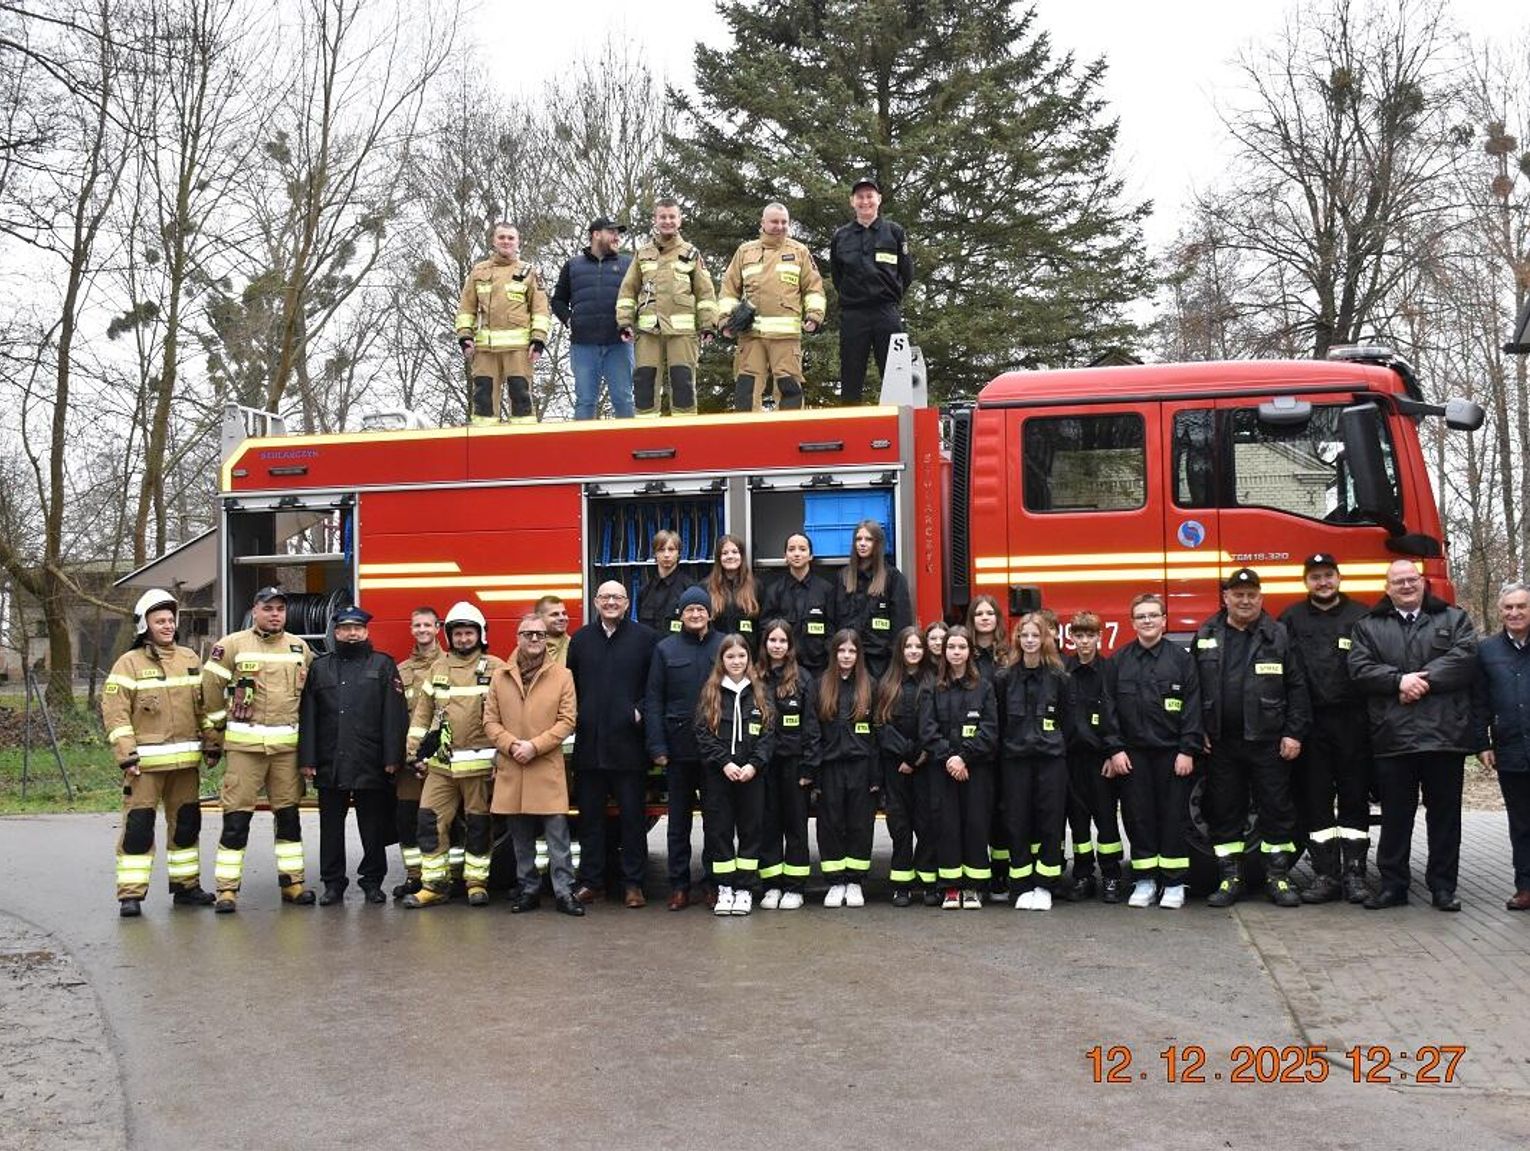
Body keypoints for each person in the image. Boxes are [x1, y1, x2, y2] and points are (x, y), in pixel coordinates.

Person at [1349, 559, 1479, 911]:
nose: (1406, 586)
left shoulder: (1454, 619)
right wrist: (1397, 681)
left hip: (1444, 736)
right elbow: (1359, 669)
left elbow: (1465, 658)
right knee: (1395, 817)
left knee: (1445, 818)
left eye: (1411, 580)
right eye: (1398, 581)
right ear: (1387, 587)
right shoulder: (1368, 626)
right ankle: (1393, 886)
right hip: (1394, 738)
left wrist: (1419, 682)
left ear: (1422, 583)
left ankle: (1443, 888)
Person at [1195, 568, 1310, 910]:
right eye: (1238, 594)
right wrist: (1196, 729)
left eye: (1251, 595)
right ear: (1225, 597)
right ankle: (1230, 879)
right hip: (1222, 743)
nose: (1245, 600)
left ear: (1261, 598)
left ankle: (1278, 877)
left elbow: (1298, 687)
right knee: (1225, 812)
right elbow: (1192, 688)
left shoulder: (1279, 635)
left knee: (1277, 811)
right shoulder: (1206, 634)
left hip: (1268, 742)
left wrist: (1294, 732)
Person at [201, 586, 315, 913]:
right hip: (244, 750)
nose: (275, 614)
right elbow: (210, 691)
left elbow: (310, 696)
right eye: (269, 608)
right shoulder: (231, 645)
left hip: (286, 751)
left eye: (280, 608)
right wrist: (216, 733)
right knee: (236, 819)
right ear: (255, 610)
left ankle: (292, 883)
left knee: (289, 817)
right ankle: (226, 889)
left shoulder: (299, 647)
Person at [103, 589, 217, 917]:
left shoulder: (190, 659)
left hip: (185, 765)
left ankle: (186, 888)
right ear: (145, 625)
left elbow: (204, 707)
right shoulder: (129, 663)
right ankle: (131, 895)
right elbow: (115, 712)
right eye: (159, 621)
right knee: (139, 828)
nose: (167, 626)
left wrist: (212, 742)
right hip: (145, 768)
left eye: (170, 620)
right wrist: (126, 754)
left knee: (186, 826)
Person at [298, 606, 408, 906]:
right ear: (336, 633)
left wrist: (392, 757)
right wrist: (307, 760)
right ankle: (333, 884)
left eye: (357, 628)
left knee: (372, 826)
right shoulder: (321, 668)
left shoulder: (383, 665)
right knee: (330, 828)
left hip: (370, 760)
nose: (352, 633)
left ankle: (372, 882)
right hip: (329, 761)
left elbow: (394, 716)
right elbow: (308, 715)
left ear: (366, 632)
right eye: (345, 628)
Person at [1278, 554, 1372, 903]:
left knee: (1354, 800)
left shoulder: (1361, 616)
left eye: (1328, 575)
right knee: (1315, 802)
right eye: (1315, 576)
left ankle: (1355, 876)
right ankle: (1324, 875)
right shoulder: (1291, 618)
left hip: (1353, 723)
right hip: (1310, 723)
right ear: (1306, 581)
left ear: (1339, 578)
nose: (1323, 582)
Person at [402, 601, 506, 908]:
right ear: (450, 636)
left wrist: (502, 758)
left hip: (479, 764)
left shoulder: (496, 668)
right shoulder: (439, 668)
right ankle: (433, 885)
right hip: (441, 765)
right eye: (458, 634)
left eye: (468, 633)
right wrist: (414, 753)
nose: (463, 639)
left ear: (480, 635)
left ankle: (476, 883)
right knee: (429, 821)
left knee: (478, 825)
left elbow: (508, 715)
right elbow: (422, 715)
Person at [566, 581, 658, 908]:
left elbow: (655, 686)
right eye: (604, 597)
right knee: (590, 820)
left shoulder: (645, 639)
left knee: (632, 821)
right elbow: (570, 687)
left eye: (617, 597)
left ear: (627, 602)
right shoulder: (580, 641)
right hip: (589, 748)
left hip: (628, 748)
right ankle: (593, 882)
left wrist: (640, 713)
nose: (610, 602)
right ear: (595, 602)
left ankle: (633, 884)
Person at [484, 612, 583, 917]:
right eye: (528, 634)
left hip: (544, 766)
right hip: (513, 766)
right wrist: (512, 745)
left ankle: (565, 892)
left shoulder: (562, 676)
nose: (535, 639)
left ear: (547, 640)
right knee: (521, 839)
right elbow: (489, 720)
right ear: (518, 637)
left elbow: (568, 720)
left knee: (558, 837)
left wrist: (534, 746)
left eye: (540, 634)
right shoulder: (500, 677)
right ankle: (528, 890)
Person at [1109, 593, 1202, 909]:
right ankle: (1145, 880)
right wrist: (1115, 749)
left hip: (1171, 754)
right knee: (1138, 818)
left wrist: (1188, 749)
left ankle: (1174, 883)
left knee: (1174, 818)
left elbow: (1193, 708)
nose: (1147, 621)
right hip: (1132, 756)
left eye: (1153, 615)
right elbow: (1108, 710)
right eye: (1141, 616)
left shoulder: (1182, 660)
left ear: (1164, 620)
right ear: (1132, 622)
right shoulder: (1119, 661)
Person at [645, 585, 724, 910]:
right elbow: (654, 701)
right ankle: (679, 885)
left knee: (716, 822)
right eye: (689, 609)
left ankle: (712, 883)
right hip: (678, 751)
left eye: (700, 609)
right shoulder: (665, 649)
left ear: (710, 613)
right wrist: (657, 746)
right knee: (678, 824)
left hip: (716, 751)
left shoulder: (724, 646)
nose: (695, 614)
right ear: (681, 614)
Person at [995, 614, 1075, 911]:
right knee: (1017, 823)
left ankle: (1045, 885)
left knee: (1050, 823)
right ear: (1017, 639)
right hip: (1015, 761)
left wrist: (1053, 745)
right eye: (1024, 635)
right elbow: (1000, 721)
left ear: (1045, 639)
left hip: (1051, 761)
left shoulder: (1059, 677)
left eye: (1035, 635)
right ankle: (1022, 884)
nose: (1029, 640)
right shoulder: (1004, 678)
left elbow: (1067, 720)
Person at [716, 201, 826, 411]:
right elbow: (729, 290)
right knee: (747, 390)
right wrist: (725, 321)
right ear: (763, 223)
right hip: (751, 337)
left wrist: (814, 315)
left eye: (784, 222)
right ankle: (747, 437)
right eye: (774, 221)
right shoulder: (745, 252)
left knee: (790, 391)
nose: (780, 226)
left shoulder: (799, 251)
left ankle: (789, 437)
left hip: (785, 339)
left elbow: (813, 288)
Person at [695, 636, 777, 916]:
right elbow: (703, 735)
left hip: (752, 776)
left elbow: (769, 734)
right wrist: (725, 763)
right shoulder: (711, 692)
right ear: (722, 660)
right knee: (719, 832)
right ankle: (725, 888)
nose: (736, 661)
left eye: (742, 656)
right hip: (719, 777)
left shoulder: (760, 692)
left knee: (751, 831)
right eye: (730, 657)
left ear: (749, 659)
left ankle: (744, 889)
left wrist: (754, 765)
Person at [919, 625, 999, 909]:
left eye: (961, 647)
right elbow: (927, 730)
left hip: (976, 769)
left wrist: (965, 757)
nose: (956, 652)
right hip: (943, 770)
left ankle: (974, 887)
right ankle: (951, 887)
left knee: (976, 825)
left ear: (970, 651)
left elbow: (990, 730)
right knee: (947, 826)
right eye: (951, 647)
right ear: (944, 652)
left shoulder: (984, 687)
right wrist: (950, 758)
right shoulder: (932, 687)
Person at [616, 198, 718, 417]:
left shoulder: (691, 253)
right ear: (655, 220)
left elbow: (706, 293)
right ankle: (645, 435)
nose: (667, 221)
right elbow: (627, 291)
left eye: (672, 217)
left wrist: (708, 324)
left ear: (679, 220)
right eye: (663, 217)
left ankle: (686, 437)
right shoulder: (642, 254)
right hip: (648, 332)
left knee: (683, 386)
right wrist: (624, 322)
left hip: (682, 334)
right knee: (644, 386)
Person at [453, 221, 549, 425]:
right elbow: (466, 307)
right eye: (502, 237)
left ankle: (523, 447)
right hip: (485, 350)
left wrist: (538, 340)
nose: (506, 241)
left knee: (521, 401)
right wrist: (465, 336)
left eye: (511, 238)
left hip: (518, 350)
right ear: (493, 241)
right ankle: (483, 447)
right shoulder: (478, 271)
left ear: (518, 242)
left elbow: (541, 310)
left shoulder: (530, 272)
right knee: (482, 405)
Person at [1060, 611, 1127, 902]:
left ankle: (1111, 876)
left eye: (1090, 636)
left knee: (1106, 821)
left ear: (1099, 637)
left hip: (1101, 762)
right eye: (1079, 636)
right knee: (1077, 822)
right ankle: (1083, 875)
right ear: (1071, 638)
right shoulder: (1064, 671)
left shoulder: (1109, 670)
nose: (1084, 642)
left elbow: (1115, 714)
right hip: (1071, 760)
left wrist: (1113, 753)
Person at [1472, 579, 1530, 911]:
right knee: (1521, 824)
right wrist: (1482, 743)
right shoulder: (1487, 651)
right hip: (1510, 751)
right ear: (1500, 611)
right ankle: (1525, 886)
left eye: (1521, 606)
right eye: (1508, 607)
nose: (1515, 612)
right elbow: (1479, 702)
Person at [811, 629, 879, 907]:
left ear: (858, 655)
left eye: (852, 651)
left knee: (860, 825)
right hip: (830, 767)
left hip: (862, 767)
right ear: (834, 653)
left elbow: (877, 734)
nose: (847, 656)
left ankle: (855, 882)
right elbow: (812, 731)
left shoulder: (870, 685)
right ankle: (835, 881)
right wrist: (814, 772)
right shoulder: (820, 685)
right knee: (831, 824)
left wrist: (876, 775)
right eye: (842, 651)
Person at [830, 176, 912, 405]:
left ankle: (898, 425)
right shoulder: (840, 236)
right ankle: (849, 423)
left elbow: (907, 274)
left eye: (869, 196)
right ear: (852, 201)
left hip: (886, 312)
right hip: (853, 314)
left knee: (895, 371)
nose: (865, 201)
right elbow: (838, 276)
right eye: (860, 197)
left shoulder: (894, 232)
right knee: (851, 372)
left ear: (879, 199)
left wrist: (889, 295)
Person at [755, 620, 819, 910]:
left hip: (794, 765)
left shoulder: (803, 679)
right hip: (764, 765)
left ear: (790, 646)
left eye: (783, 641)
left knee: (795, 826)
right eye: (772, 640)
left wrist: (809, 767)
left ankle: (795, 887)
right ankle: (771, 886)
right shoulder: (755, 676)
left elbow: (812, 726)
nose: (777, 646)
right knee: (768, 826)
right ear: (765, 644)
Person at [552, 216, 635, 420]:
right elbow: (558, 301)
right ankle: (580, 451)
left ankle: (628, 447)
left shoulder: (629, 264)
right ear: (596, 235)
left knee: (623, 399)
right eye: (612, 232)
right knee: (585, 401)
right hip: (583, 346)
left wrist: (631, 323)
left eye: (619, 233)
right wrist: (570, 321)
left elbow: (640, 298)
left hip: (619, 344)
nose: (617, 237)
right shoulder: (572, 265)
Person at [877, 626, 932, 906]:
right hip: (895, 768)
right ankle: (901, 884)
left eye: (918, 647)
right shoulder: (886, 684)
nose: (913, 651)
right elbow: (881, 726)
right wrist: (903, 757)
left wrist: (917, 757)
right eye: (908, 646)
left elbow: (932, 725)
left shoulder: (932, 682)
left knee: (925, 825)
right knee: (900, 827)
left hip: (924, 766)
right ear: (900, 650)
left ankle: (925, 881)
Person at [391, 606, 441, 899]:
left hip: (439, 760)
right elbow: (395, 720)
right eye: (417, 625)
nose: (422, 630)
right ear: (411, 629)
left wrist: (429, 755)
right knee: (407, 820)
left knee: (437, 820)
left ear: (437, 628)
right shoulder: (401, 671)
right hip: (410, 764)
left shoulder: (448, 666)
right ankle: (414, 875)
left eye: (427, 625)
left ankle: (441, 877)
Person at [967, 594, 1010, 900]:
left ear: (997, 619)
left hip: (1004, 744)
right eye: (979, 613)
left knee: (1002, 811)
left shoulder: (1008, 655)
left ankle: (1000, 871)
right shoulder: (963, 653)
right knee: (977, 813)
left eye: (989, 613)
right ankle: (978, 870)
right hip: (976, 747)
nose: (984, 618)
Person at [836, 519, 913, 681]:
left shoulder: (893, 578)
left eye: (868, 539)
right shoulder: (842, 577)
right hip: (848, 662)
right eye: (858, 539)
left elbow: (901, 625)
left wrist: (894, 663)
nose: (862, 544)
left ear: (878, 544)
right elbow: (833, 620)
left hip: (881, 663)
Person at [760, 531, 837, 675]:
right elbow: (765, 627)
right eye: (791, 549)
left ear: (810, 556)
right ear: (785, 556)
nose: (797, 554)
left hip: (818, 668)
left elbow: (832, 629)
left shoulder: (826, 589)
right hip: (783, 668)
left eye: (802, 549)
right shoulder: (774, 591)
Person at [707, 533, 761, 651]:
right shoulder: (706, 587)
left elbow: (761, 626)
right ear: (718, 558)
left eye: (735, 552)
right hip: (715, 656)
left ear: (742, 556)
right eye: (725, 553)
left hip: (748, 657)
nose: (730, 556)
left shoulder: (756, 587)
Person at [637, 529, 694, 636]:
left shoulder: (689, 589)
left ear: (679, 553)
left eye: (671, 549)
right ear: (655, 554)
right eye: (661, 550)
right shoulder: (644, 591)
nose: (666, 554)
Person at [535, 595, 571, 667]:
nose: (562, 618)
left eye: (564, 613)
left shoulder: (575, 646)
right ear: (539, 618)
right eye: (555, 614)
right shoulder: (528, 647)